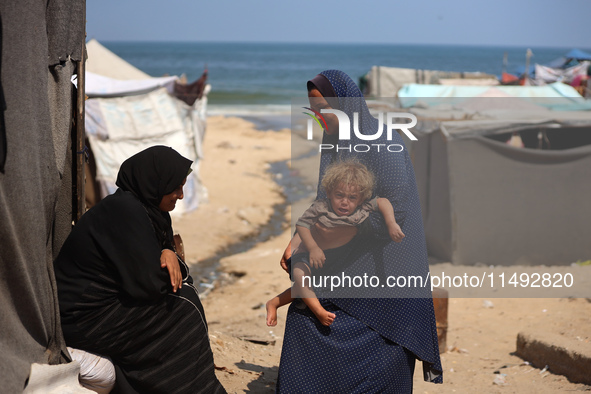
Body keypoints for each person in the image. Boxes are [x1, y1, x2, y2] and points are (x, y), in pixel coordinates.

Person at [275, 71, 442, 393]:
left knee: (376, 343)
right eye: (315, 110)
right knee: (303, 315)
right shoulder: (335, 140)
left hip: (384, 261)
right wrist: (296, 239)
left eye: (327, 108)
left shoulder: (383, 142)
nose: (321, 116)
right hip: (346, 253)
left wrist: (337, 234)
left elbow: (398, 208)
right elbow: (326, 198)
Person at [54, 146, 225, 394]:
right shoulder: (123, 211)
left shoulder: (149, 209)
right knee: (182, 312)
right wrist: (170, 259)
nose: (180, 195)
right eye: (175, 187)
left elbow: (160, 255)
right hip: (83, 316)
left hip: (107, 304)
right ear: (155, 182)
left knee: (185, 300)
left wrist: (168, 251)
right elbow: (150, 283)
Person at [266, 159, 405, 326]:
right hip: (306, 252)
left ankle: (274, 302)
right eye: (339, 195)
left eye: (352, 197)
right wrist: (313, 248)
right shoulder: (321, 207)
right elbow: (302, 225)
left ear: (361, 198)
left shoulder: (363, 208)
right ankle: (319, 311)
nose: (345, 202)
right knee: (301, 276)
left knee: (308, 287)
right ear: (329, 192)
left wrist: (391, 224)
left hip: (332, 257)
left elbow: (383, 202)